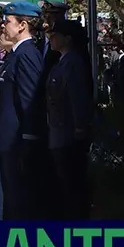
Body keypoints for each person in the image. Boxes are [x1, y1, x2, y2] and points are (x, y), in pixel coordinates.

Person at [0, 0, 47, 247]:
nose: (3, 27)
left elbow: (31, 103)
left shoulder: (27, 55)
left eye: (7, 22)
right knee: (13, 206)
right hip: (11, 143)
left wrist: (29, 144)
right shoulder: (15, 55)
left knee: (24, 208)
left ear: (22, 24)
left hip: (20, 144)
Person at [45, 19, 92, 220]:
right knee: (64, 183)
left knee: (72, 184)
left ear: (68, 39)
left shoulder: (72, 62)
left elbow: (77, 96)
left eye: (55, 36)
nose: (51, 40)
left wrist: (80, 126)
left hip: (67, 131)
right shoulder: (62, 62)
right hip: (58, 129)